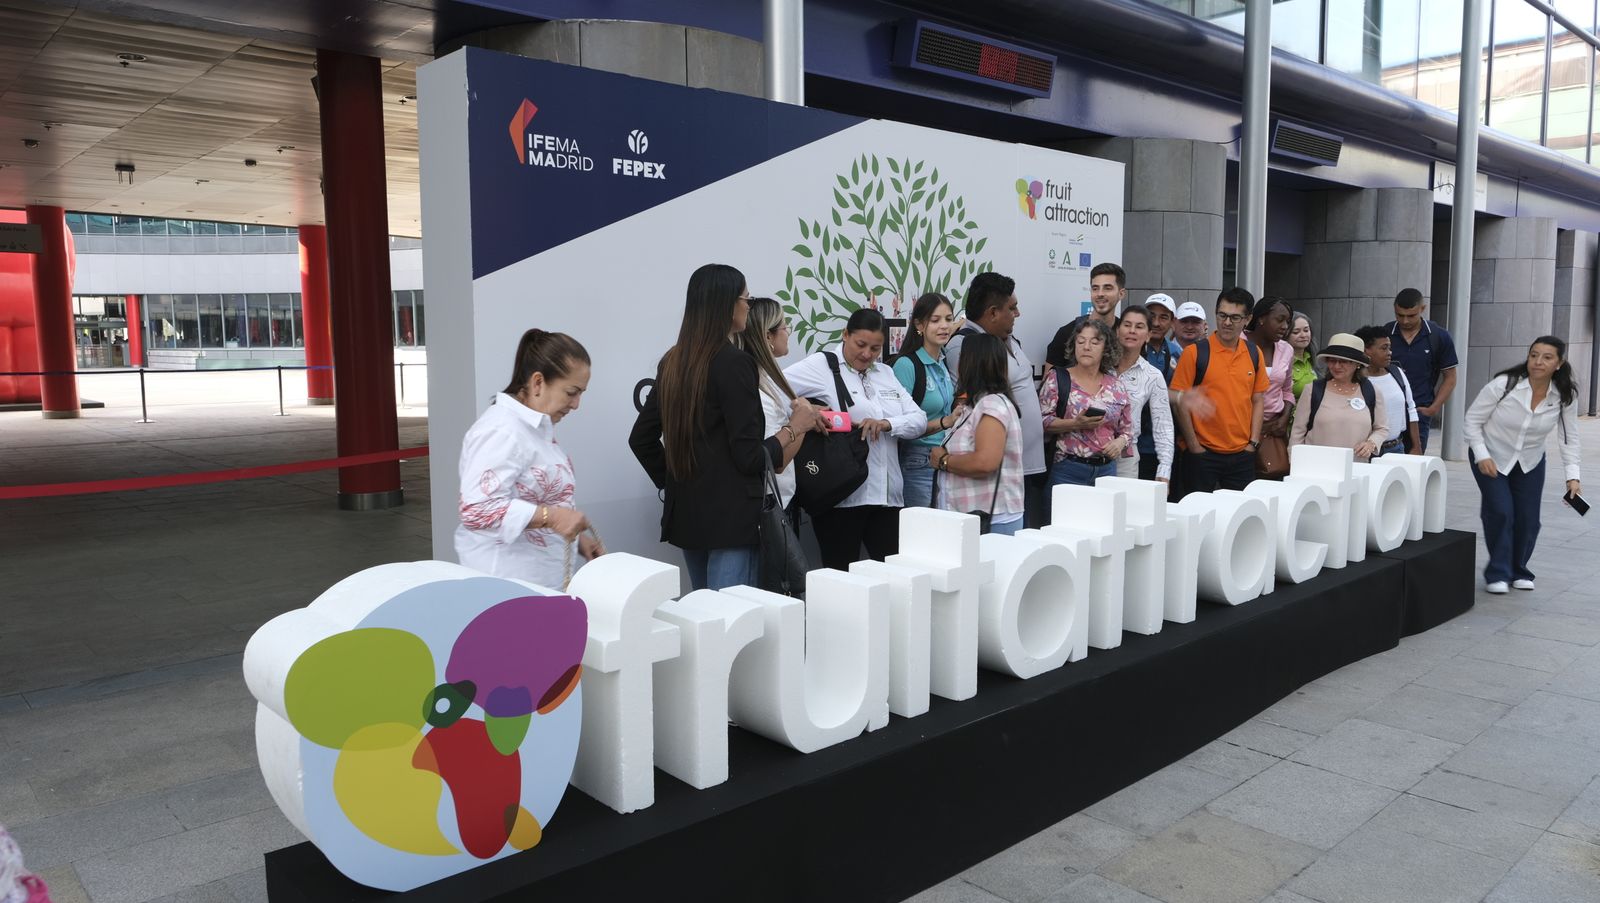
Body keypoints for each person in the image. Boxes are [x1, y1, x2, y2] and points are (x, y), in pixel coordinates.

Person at [630, 264, 823, 591]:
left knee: (706, 622)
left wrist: (679, 485)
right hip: (733, 520)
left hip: (689, 518)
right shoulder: (733, 363)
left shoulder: (673, 361)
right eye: (746, 299)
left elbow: (641, 439)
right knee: (729, 625)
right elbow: (750, 457)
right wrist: (794, 429)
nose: (749, 305)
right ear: (727, 304)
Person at [784, 308, 953, 570]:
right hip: (842, 496)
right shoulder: (823, 365)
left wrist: (887, 424)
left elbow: (918, 419)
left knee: (893, 576)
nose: (867, 354)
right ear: (845, 335)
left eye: (875, 348)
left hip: (888, 496)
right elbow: (773, 390)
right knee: (841, 578)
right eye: (860, 345)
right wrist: (807, 410)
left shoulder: (885, 372)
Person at [456, 329, 602, 588]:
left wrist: (577, 540)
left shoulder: (533, 429)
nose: (577, 404)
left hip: (535, 581)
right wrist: (555, 517)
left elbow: (534, 498)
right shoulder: (501, 431)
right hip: (506, 584)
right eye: (571, 392)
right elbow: (477, 510)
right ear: (537, 383)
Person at [1463, 336, 1583, 594]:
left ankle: (1519, 570)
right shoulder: (1504, 385)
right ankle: (1498, 573)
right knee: (1501, 511)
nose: (1538, 362)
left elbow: (1569, 438)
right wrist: (1482, 454)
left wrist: (1573, 476)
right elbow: (1472, 421)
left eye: (1547, 357)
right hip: (1491, 456)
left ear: (1559, 363)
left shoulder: (1563, 396)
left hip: (1530, 461)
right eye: (1534, 355)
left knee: (1529, 519)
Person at [945, 271, 1049, 527]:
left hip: (1023, 468)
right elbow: (971, 400)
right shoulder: (965, 346)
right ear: (992, 312)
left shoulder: (1008, 339)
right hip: (996, 484)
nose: (1018, 314)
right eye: (1012, 308)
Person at [1169, 288, 1268, 494]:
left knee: (1240, 515)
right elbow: (1179, 401)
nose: (1227, 322)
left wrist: (1253, 443)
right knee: (1196, 514)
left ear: (1247, 319)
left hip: (1242, 453)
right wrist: (1194, 446)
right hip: (1202, 454)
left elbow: (1258, 399)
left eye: (1235, 317)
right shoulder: (1194, 353)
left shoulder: (1253, 352)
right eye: (1222, 315)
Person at [929, 334, 1026, 535]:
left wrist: (944, 461)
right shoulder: (977, 405)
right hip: (972, 519)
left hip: (991, 522)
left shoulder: (992, 404)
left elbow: (985, 462)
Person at [734, 297, 808, 510]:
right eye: (785, 327)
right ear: (768, 335)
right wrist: (802, 423)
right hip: (766, 506)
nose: (788, 333)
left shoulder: (765, 380)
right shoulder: (755, 388)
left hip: (775, 501)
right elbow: (776, 461)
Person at [1040, 318, 1133, 487]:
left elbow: (1127, 430)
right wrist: (1075, 423)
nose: (1086, 347)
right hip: (1067, 470)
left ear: (1106, 348)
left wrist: (1120, 442)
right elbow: (1041, 421)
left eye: (1095, 342)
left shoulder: (1117, 386)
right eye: (1080, 341)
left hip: (1107, 471)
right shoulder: (1058, 378)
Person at [892, 292, 960, 508]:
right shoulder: (906, 365)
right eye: (935, 320)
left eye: (949, 319)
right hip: (918, 461)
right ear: (919, 325)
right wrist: (945, 422)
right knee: (924, 536)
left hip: (946, 457)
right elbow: (899, 425)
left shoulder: (942, 361)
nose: (944, 326)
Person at [1289, 333, 1388, 462]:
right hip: (1316, 468)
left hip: (1356, 469)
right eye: (1332, 360)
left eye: (1343, 362)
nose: (1336, 366)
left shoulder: (1372, 391)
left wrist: (1371, 443)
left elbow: (1382, 428)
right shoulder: (1313, 390)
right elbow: (1297, 433)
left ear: (1357, 364)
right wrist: (1295, 462)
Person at [1385, 288, 1459, 453]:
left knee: (1413, 466)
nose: (1404, 321)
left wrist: (1434, 407)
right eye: (1399, 315)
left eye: (1411, 315)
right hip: (1386, 411)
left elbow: (1450, 377)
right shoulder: (1384, 334)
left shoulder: (1439, 337)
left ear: (1422, 309)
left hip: (1419, 412)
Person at [1111, 304, 1174, 485]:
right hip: (1090, 450)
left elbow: (1164, 425)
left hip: (1126, 457)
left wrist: (1164, 470)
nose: (1131, 331)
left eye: (1139, 327)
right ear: (1117, 330)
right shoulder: (1100, 365)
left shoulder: (1152, 375)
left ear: (1147, 335)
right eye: (1127, 325)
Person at [1354, 325, 1419, 457]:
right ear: (1366, 350)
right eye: (1384, 348)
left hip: (1397, 448)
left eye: (1389, 347)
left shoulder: (1397, 373)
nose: (1389, 352)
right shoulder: (1355, 380)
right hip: (1365, 451)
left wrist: (1416, 446)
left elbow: (1411, 409)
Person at [1247, 296, 1296, 464]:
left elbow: (1287, 390)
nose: (1285, 327)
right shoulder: (1238, 343)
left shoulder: (1286, 349)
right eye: (1280, 320)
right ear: (1261, 318)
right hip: (1240, 429)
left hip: (1273, 432)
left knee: (1271, 483)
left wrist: (1285, 418)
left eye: (1288, 322)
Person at [1141, 293, 1183, 381]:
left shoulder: (1176, 352)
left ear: (1172, 322)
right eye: (1151, 316)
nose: (1156, 323)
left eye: (1163, 317)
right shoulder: (1131, 348)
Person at [1288, 312, 1317, 401]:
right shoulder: (1283, 363)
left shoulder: (1310, 359)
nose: (1303, 335)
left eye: (1306, 330)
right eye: (1296, 332)